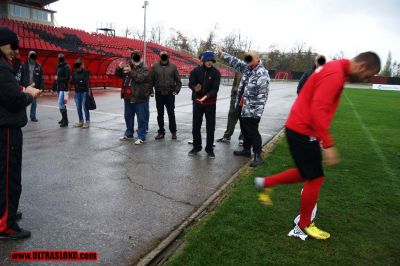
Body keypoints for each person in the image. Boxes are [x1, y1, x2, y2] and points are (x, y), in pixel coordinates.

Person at [254, 52, 381, 240]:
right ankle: (304, 223)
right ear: (363, 66)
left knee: (307, 173)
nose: (366, 79)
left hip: (301, 128)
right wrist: (328, 144)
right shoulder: (335, 74)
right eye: (368, 76)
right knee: (315, 178)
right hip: (303, 130)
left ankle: (265, 183)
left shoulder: (336, 68)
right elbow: (317, 111)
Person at [0, 27, 42, 239]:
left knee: (4, 175)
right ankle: (5, 225)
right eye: (13, 46)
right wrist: (28, 95)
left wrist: (21, 91)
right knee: (9, 176)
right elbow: (13, 100)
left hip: (4, 127)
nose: (16, 52)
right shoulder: (2, 68)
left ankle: (5, 213)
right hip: (6, 130)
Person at [218, 49, 270, 167]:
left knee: (253, 132)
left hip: (252, 110)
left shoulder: (262, 73)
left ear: (257, 59)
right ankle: (246, 150)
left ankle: (258, 156)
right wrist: (222, 54)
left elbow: (263, 96)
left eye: (250, 58)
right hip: (243, 106)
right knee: (245, 130)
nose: (247, 60)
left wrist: (257, 113)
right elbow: (235, 61)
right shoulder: (247, 68)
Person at [188, 51, 221, 159]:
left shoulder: (216, 73)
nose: (209, 62)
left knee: (210, 127)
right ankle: (197, 147)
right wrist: (194, 88)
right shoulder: (196, 71)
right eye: (207, 60)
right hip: (197, 102)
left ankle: (209, 149)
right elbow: (190, 83)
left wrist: (207, 96)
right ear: (203, 60)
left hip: (210, 103)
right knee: (196, 126)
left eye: (211, 60)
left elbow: (215, 89)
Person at [115, 50, 152, 144]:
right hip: (128, 96)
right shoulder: (128, 66)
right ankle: (129, 133)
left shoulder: (144, 68)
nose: (134, 60)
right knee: (128, 116)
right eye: (133, 57)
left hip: (139, 97)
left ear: (140, 58)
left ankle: (141, 136)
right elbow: (118, 75)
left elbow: (140, 78)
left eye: (137, 57)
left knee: (141, 118)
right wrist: (119, 68)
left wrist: (130, 72)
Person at [152, 51, 182, 140]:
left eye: (165, 56)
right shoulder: (155, 66)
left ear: (168, 57)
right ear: (160, 57)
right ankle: (161, 132)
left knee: (171, 114)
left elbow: (179, 82)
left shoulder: (173, 66)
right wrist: (151, 91)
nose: (164, 58)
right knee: (160, 114)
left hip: (170, 94)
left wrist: (176, 90)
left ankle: (173, 132)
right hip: (159, 93)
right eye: (162, 56)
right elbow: (151, 80)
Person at [216, 71, 244, 144]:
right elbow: (235, 82)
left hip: (246, 97)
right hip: (235, 96)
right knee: (231, 116)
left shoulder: (254, 71)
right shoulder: (239, 70)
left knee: (244, 118)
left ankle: (242, 138)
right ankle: (227, 136)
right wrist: (232, 94)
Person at [20, 51, 44, 122]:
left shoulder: (39, 66)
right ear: (28, 57)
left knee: (34, 102)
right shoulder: (23, 65)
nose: (33, 59)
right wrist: (20, 86)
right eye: (31, 57)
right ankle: (23, 116)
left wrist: (41, 88)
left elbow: (41, 78)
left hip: (34, 88)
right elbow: (20, 76)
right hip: (25, 86)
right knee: (24, 102)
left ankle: (33, 116)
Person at [71, 58, 90, 128]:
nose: (77, 68)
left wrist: (78, 82)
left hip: (84, 92)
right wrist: (80, 82)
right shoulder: (74, 72)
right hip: (77, 92)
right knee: (78, 107)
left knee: (85, 107)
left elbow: (85, 82)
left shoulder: (86, 72)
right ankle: (81, 121)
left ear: (82, 65)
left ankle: (87, 122)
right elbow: (72, 82)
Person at [55, 53, 70, 127]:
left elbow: (67, 78)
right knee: (62, 104)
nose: (59, 59)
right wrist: (53, 87)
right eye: (58, 57)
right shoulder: (58, 66)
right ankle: (64, 119)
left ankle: (66, 121)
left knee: (60, 103)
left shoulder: (66, 66)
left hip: (64, 88)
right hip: (59, 87)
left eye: (60, 57)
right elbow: (56, 77)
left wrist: (58, 78)